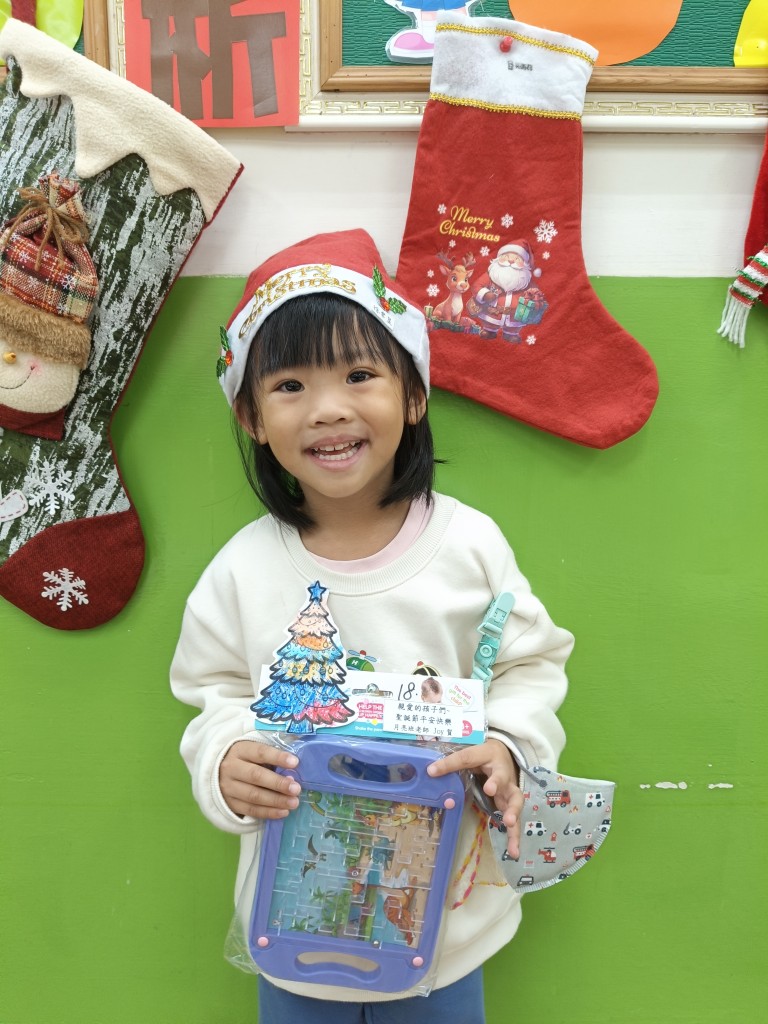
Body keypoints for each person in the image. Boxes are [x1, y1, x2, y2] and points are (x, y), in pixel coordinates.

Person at [170, 229, 573, 1023]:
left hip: (446, 924)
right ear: (251, 416)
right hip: (295, 912)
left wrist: (509, 747)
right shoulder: (243, 569)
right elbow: (212, 690)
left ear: (413, 394)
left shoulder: (469, 547)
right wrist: (225, 762)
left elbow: (529, 663)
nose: (328, 409)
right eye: (290, 385)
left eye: (359, 375)